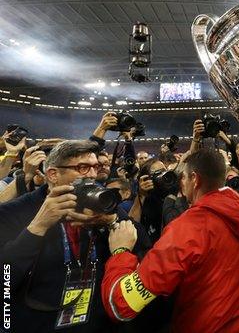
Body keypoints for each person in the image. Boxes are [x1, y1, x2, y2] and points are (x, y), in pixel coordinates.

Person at [101, 149, 239, 332]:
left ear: (194, 179)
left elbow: (121, 305)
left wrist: (120, 252)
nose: (180, 182)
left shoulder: (185, 230)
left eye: (183, 177)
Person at [0, 140, 149, 332]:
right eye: (83, 168)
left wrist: (111, 221)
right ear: (53, 174)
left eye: (96, 167)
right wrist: (37, 227)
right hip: (35, 324)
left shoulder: (102, 206)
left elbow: (144, 249)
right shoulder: (14, 212)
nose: (94, 175)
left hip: (94, 324)